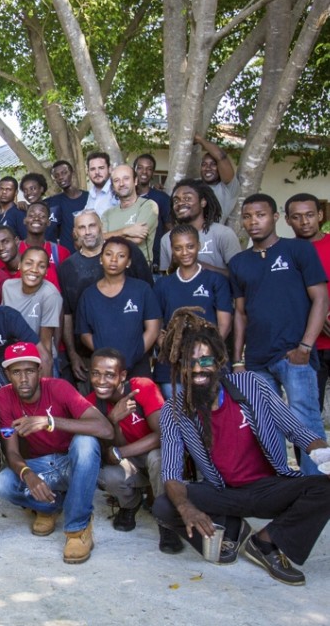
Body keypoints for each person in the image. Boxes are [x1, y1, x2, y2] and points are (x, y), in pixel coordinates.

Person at [153, 308, 330, 585]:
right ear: (179, 366)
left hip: (268, 487)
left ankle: (266, 542)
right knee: (165, 506)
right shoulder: (173, 411)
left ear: (219, 360)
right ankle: (231, 526)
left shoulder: (251, 384)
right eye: (190, 361)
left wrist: (323, 453)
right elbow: (172, 474)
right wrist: (187, 508)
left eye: (205, 359)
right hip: (223, 492)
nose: (198, 368)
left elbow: (295, 429)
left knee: (325, 486)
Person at [228, 194, 328, 475]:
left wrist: (305, 347)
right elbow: (240, 313)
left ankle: (317, 489)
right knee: (264, 424)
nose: (253, 221)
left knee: (306, 422)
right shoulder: (238, 262)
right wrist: (238, 359)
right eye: (247, 216)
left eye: (260, 214)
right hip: (258, 360)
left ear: (274, 217)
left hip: (294, 354)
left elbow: (320, 299)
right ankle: (278, 485)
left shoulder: (298, 250)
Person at [0, 342, 113, 564]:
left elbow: (104, 428)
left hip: (72, 464)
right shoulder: (4, 396)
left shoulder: (59, 387)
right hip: (39, 466)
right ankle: (50, 507)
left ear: (39, 371)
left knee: (86, 442)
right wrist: (28, 475)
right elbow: (11, 452)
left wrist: (48, 422)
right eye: (16, 372)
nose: (23, 379)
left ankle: (78, 528)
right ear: (7, 374)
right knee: (3, 482)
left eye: (29, 371)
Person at [58, 211, 154, 387]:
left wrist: (138, 350)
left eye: (92, 225)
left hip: (136, 355)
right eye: (82, 227)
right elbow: (67, 314)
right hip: (90, 357)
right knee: (100, 409)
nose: (87, 232)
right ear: (75, 232)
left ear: (101, 227)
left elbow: (149, 302)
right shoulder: (67, 268)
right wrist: (73, 355)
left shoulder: (128, 252)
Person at [86, 348, 164, 532]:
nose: (101, 381)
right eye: (96, 374)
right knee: (104, 475)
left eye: (109, 375)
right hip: (130, 464)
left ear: (122, 376)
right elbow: (105, 455)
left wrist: (121, 452)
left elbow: (163, 435)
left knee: (157, 458)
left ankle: (166, 519)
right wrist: (112, 420)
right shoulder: (90, 404)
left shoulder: (142, 387)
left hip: (153, 456)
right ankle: (130, 504)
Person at [153, 224, 233, 398]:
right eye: (178, 248)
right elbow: (157, 327)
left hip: (208, 361)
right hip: (172, 365)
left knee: (211, 418)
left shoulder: (215, 280)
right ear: (172, 250)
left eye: (190, 246)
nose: (185, 252)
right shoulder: (162, 285)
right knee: (179, 419)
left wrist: (201, 354)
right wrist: (174, 351)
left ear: (198, 245)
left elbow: (224, 325)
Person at [76, 237, 161, 378]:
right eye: (108, 254)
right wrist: (105, 359)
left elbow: (153, 328)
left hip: (138, 369)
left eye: (121, 256)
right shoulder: (88, 295)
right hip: (103, 373)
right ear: (101, 259)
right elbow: (84, 334)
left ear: (128, 262)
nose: (114, 259)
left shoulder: (142, 290)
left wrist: (135, 354)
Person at [284, 192, 330, 413]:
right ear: (287, 220)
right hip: (304, 347)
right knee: (307, 413)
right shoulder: (284, 253)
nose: (304, 222)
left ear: (320, 215)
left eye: (310, 215)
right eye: (297, 217)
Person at [158, 180, 240, 275]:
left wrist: (197, 266)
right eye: (176, 200)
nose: (180, 203)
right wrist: (173, 266)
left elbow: (237, 276)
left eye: (187, 198)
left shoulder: (223, 234)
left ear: (203, 202)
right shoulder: (166, 239)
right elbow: (165, 278)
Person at [1, 246, 61, 374]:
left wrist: (45, 382)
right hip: (13, 356)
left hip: (38, 358)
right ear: (19, 265)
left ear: (46, 272)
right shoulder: (7, 287)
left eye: (41, 266)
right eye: (29, 263)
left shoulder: (50, 294)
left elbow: (45, 344)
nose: (34, 270)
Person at [102, 164, 159, 263]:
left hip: (139, 269)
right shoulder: (107, 214)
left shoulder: (148, 205)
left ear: (135, 181)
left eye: (126, 178)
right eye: (116, 180)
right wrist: (126, 231)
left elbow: (137, 239)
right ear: (113, 186)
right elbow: (101, 239)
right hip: (112, 269)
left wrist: (109, 236)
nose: (121, 183)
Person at [133, 153, 172, 269]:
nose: (144, 172)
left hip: (155, 262)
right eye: (140, 168)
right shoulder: (124, 198)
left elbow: (170, 228)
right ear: (134, 170)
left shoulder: (162, 198)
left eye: (149, 169)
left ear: (153, 172)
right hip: (129, 259)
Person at [45, 160, 89, 253]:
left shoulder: (89, 198)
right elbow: (35, 206)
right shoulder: (54, 201)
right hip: (67, 255)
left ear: (72, 173)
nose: (60, 177)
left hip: (89, 252)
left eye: (64, 173)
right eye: (56, 176)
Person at [194, 134, 239, 224]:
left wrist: (200, 139)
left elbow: (221, 157)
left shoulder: (227, 188)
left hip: (213, 235)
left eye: (213, 164)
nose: (208, 168)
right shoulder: (194, 184)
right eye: (204, 164)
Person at [20, 173, 59, 242]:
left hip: (52, 250)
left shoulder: (54, 205)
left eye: (32, 188)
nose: (28, 192)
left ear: (41, 189)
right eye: (25, 190)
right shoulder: (23, 210)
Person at [85, 151, 117, 217]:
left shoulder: (116, 191)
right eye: (92, 169)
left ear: (109, 169)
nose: (97, 172)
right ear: (88, 172)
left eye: (101, 168)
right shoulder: (91, 193)